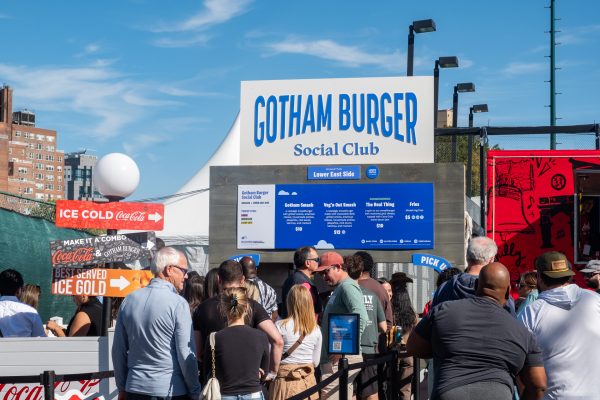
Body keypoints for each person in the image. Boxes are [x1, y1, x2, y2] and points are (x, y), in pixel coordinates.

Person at [408, 263, 547, 400]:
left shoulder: (443, 310)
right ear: (508, 291)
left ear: (476, 286)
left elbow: (413, 347)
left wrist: (442, 350)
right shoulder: (521, 331)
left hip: (449, 392)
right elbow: (538, 385)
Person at [112, 247, 201, 400]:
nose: (186, 276)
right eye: (183, 271)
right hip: (169, 390)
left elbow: (118, 351)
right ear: (169, 269)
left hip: (135, 387)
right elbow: (185, 354)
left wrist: (122, 387)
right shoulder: (178, 304)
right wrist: (195, 391)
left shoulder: (129, 300)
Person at [518, 251, 600, 399]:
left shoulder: (531, 313)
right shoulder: (595, 300)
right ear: (569, 276)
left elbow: (521, 365)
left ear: (539, 279)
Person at [193, 260, 283, 383]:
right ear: (242, 280)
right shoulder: (252, 306)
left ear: (219, 279)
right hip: (249, 381)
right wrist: (272, 373)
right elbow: (278, 341)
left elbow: (198, 353)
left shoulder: (202, 309)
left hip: (216, 384)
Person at [317, 252, 368, 400]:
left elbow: (362, 317)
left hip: (340, 359)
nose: (323, 277)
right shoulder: (341, 287)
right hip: (336, 358)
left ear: (338, 267)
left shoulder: (347, 286)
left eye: (326, 271)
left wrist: (344, 349)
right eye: (321, 274)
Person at [205, 287, 269, 400]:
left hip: (224, 395)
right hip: (253, 395)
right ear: (247, 307)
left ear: (223, 308)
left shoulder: (214, 338)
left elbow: (208, 372)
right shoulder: (261, 336)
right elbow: (264, 372)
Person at [432, 236, 516, 315]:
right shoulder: (500, 293)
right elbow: (512, 324)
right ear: (491, 259)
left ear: (467, 257)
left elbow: (431, 321)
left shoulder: (444, 288)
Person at [270, 285, 322, 400]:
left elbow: (272, 356)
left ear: (290, 302)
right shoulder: (316, 329)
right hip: (308, 385)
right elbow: (316, 362)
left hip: (284, 384)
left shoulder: (280, 326)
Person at [348, 255, 386, 400]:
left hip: (349, 349)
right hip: (370, 348)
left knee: (350, 390)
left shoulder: (345, 292)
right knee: (370, 392)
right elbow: (383, 326)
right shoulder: (374, 293)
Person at [389, 272, 417, 400]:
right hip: (408, 353)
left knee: (389, 385)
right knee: (405, 389)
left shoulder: (390, 309)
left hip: (392, 351)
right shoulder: (411, 312)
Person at [0, 269, 45, 337]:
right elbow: (41, 341)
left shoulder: (30, 312)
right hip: (23, 347)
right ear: (19, 290)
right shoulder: (30, 312)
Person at [280, 246, 323, 319]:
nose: (319, 262)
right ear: (307, 263)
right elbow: (306, 312)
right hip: (303, 328)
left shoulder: (291, 279)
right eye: (317, 259)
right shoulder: (303, 284)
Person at [354, 251, 393, 329]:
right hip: (375, 339)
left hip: (350, 337)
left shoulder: (349, 286)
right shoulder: (381, 289)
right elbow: (388, 322)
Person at [241, 256, 279, 320]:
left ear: (240, 271)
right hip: (265, 326)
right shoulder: (270, 289)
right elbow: (275, 315)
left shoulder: (240, 289)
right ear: (256, 269)